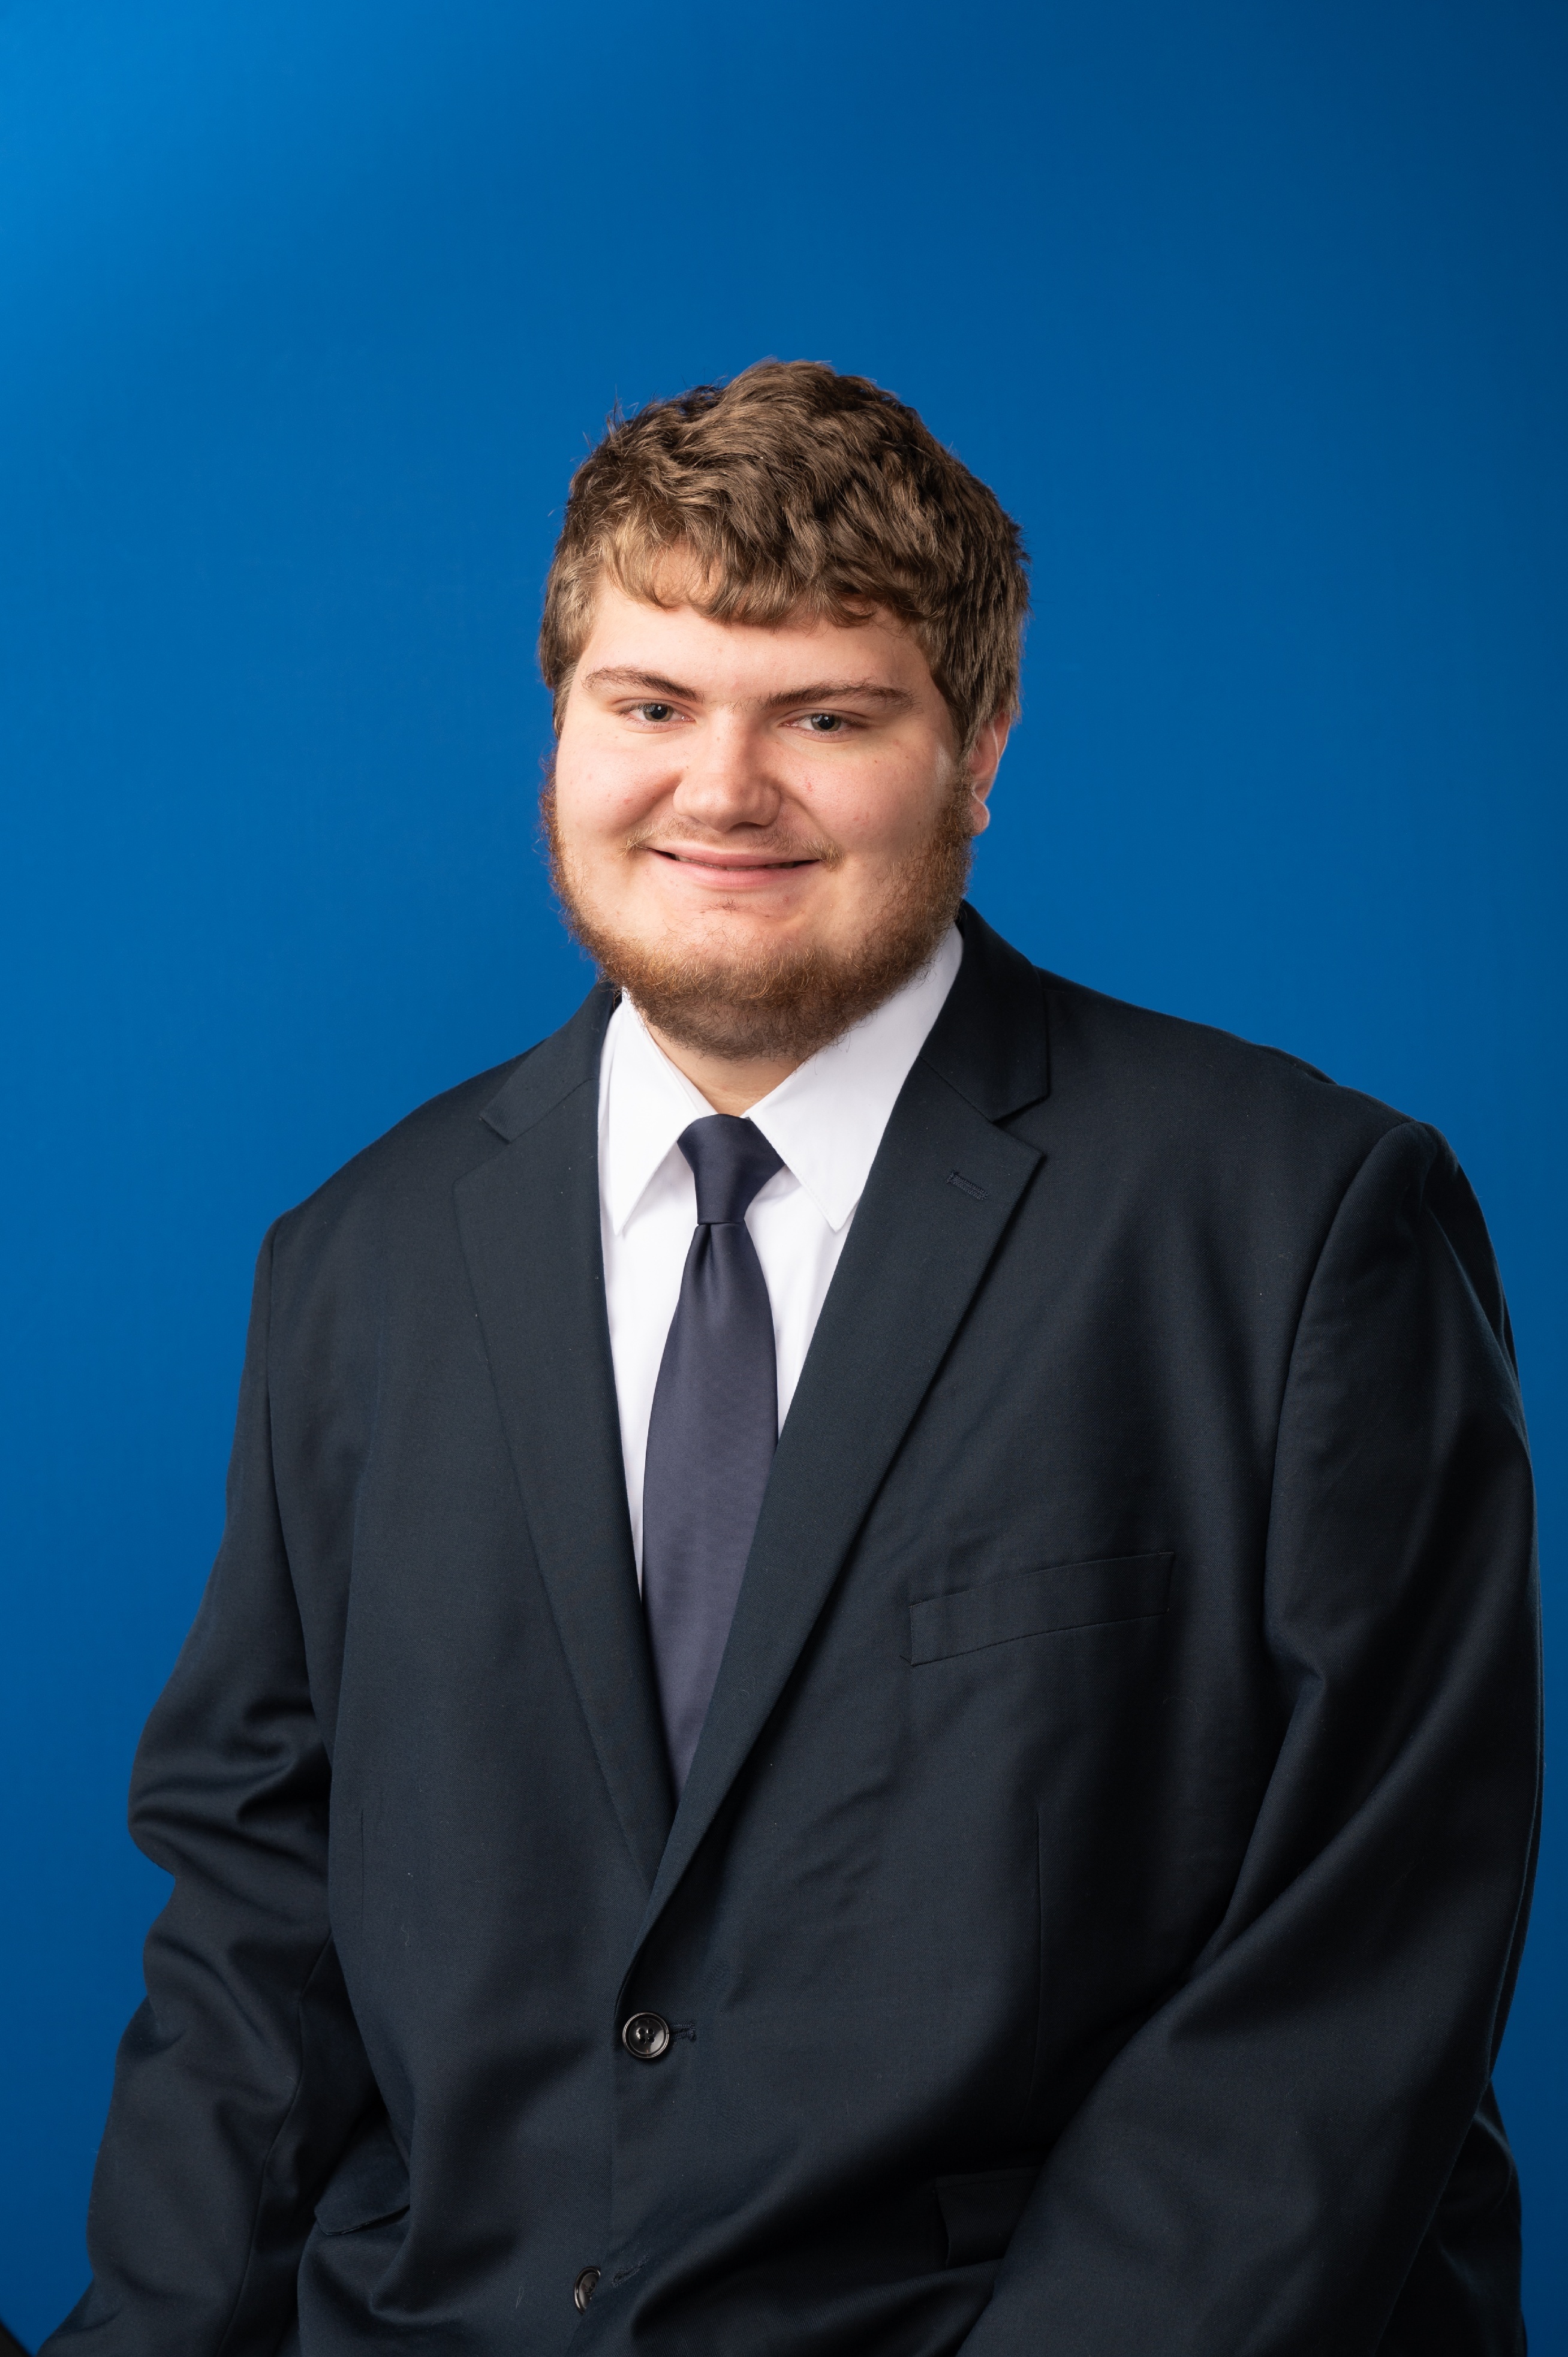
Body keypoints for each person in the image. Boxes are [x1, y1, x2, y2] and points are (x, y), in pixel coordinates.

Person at [46, 361, 1539, 2357]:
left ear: (980, 745)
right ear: (563, 727)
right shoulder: (356, 1261)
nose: (722, 789)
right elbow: (256, 1932)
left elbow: (1355, 1972)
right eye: (651, 705)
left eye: (826, 715)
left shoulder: (1300, 1227)